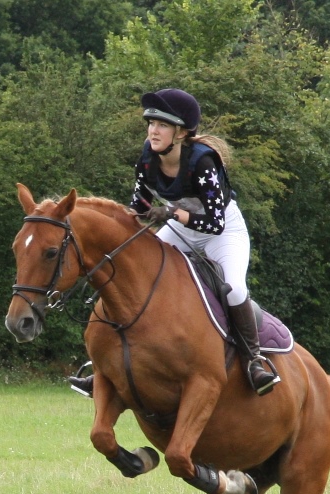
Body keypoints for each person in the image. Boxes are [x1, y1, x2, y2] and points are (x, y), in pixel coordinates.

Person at [68, 88, 280, 398]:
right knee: (133, 271)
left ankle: (254, 362)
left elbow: (215, 223)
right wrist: (125, 223)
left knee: (234, 288)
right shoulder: (147, 157)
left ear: (181, 133)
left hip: (223, 233)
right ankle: (104, 366)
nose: (153, 131)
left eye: (162, 125)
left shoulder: (203, 163)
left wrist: (170, 213)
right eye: (151, 123)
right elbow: (138, 206)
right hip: (180, 228)